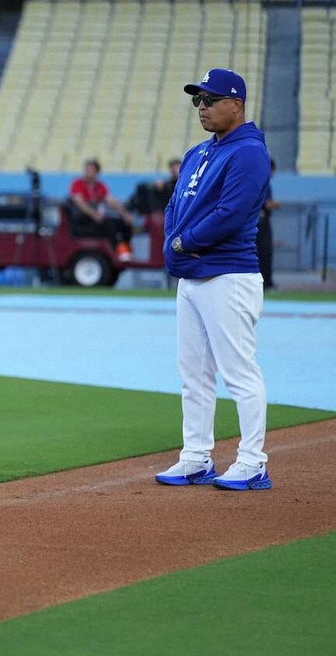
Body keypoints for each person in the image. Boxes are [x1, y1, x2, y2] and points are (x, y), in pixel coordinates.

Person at [155, 68, 272, 491]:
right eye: (197, 100)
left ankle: (253, 461)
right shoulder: (198, 152)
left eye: (209, 99)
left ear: (236, 104)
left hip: (228, 273)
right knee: (194, 374)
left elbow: (232, 213)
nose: (201, 108)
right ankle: (195, 457)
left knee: (239, 372)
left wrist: (182, 243)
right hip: (192, 275)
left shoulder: (249, 153)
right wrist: (174, 239)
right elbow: (173, 203)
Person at [68, 159, 136, 262]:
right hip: (83, 219)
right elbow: (80, 203)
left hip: (98, 219)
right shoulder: (77, 183)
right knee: (109, 225)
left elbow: (111, 201)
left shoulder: (100, 186)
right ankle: (115, 252)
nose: (87, 172)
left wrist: (124, 214)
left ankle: (124, 252)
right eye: (86, 170)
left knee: (124, 224)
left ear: (96, 172)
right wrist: (94, 214)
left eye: (91, 170)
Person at [256, 159, 280, 290]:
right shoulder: (263, 183)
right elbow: (265, 203)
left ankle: (265, 281)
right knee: (264, 252)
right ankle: (266, 282)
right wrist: (275, 205)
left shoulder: (260, 182)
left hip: (260, 221)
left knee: (263, 252)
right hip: (260, 222)